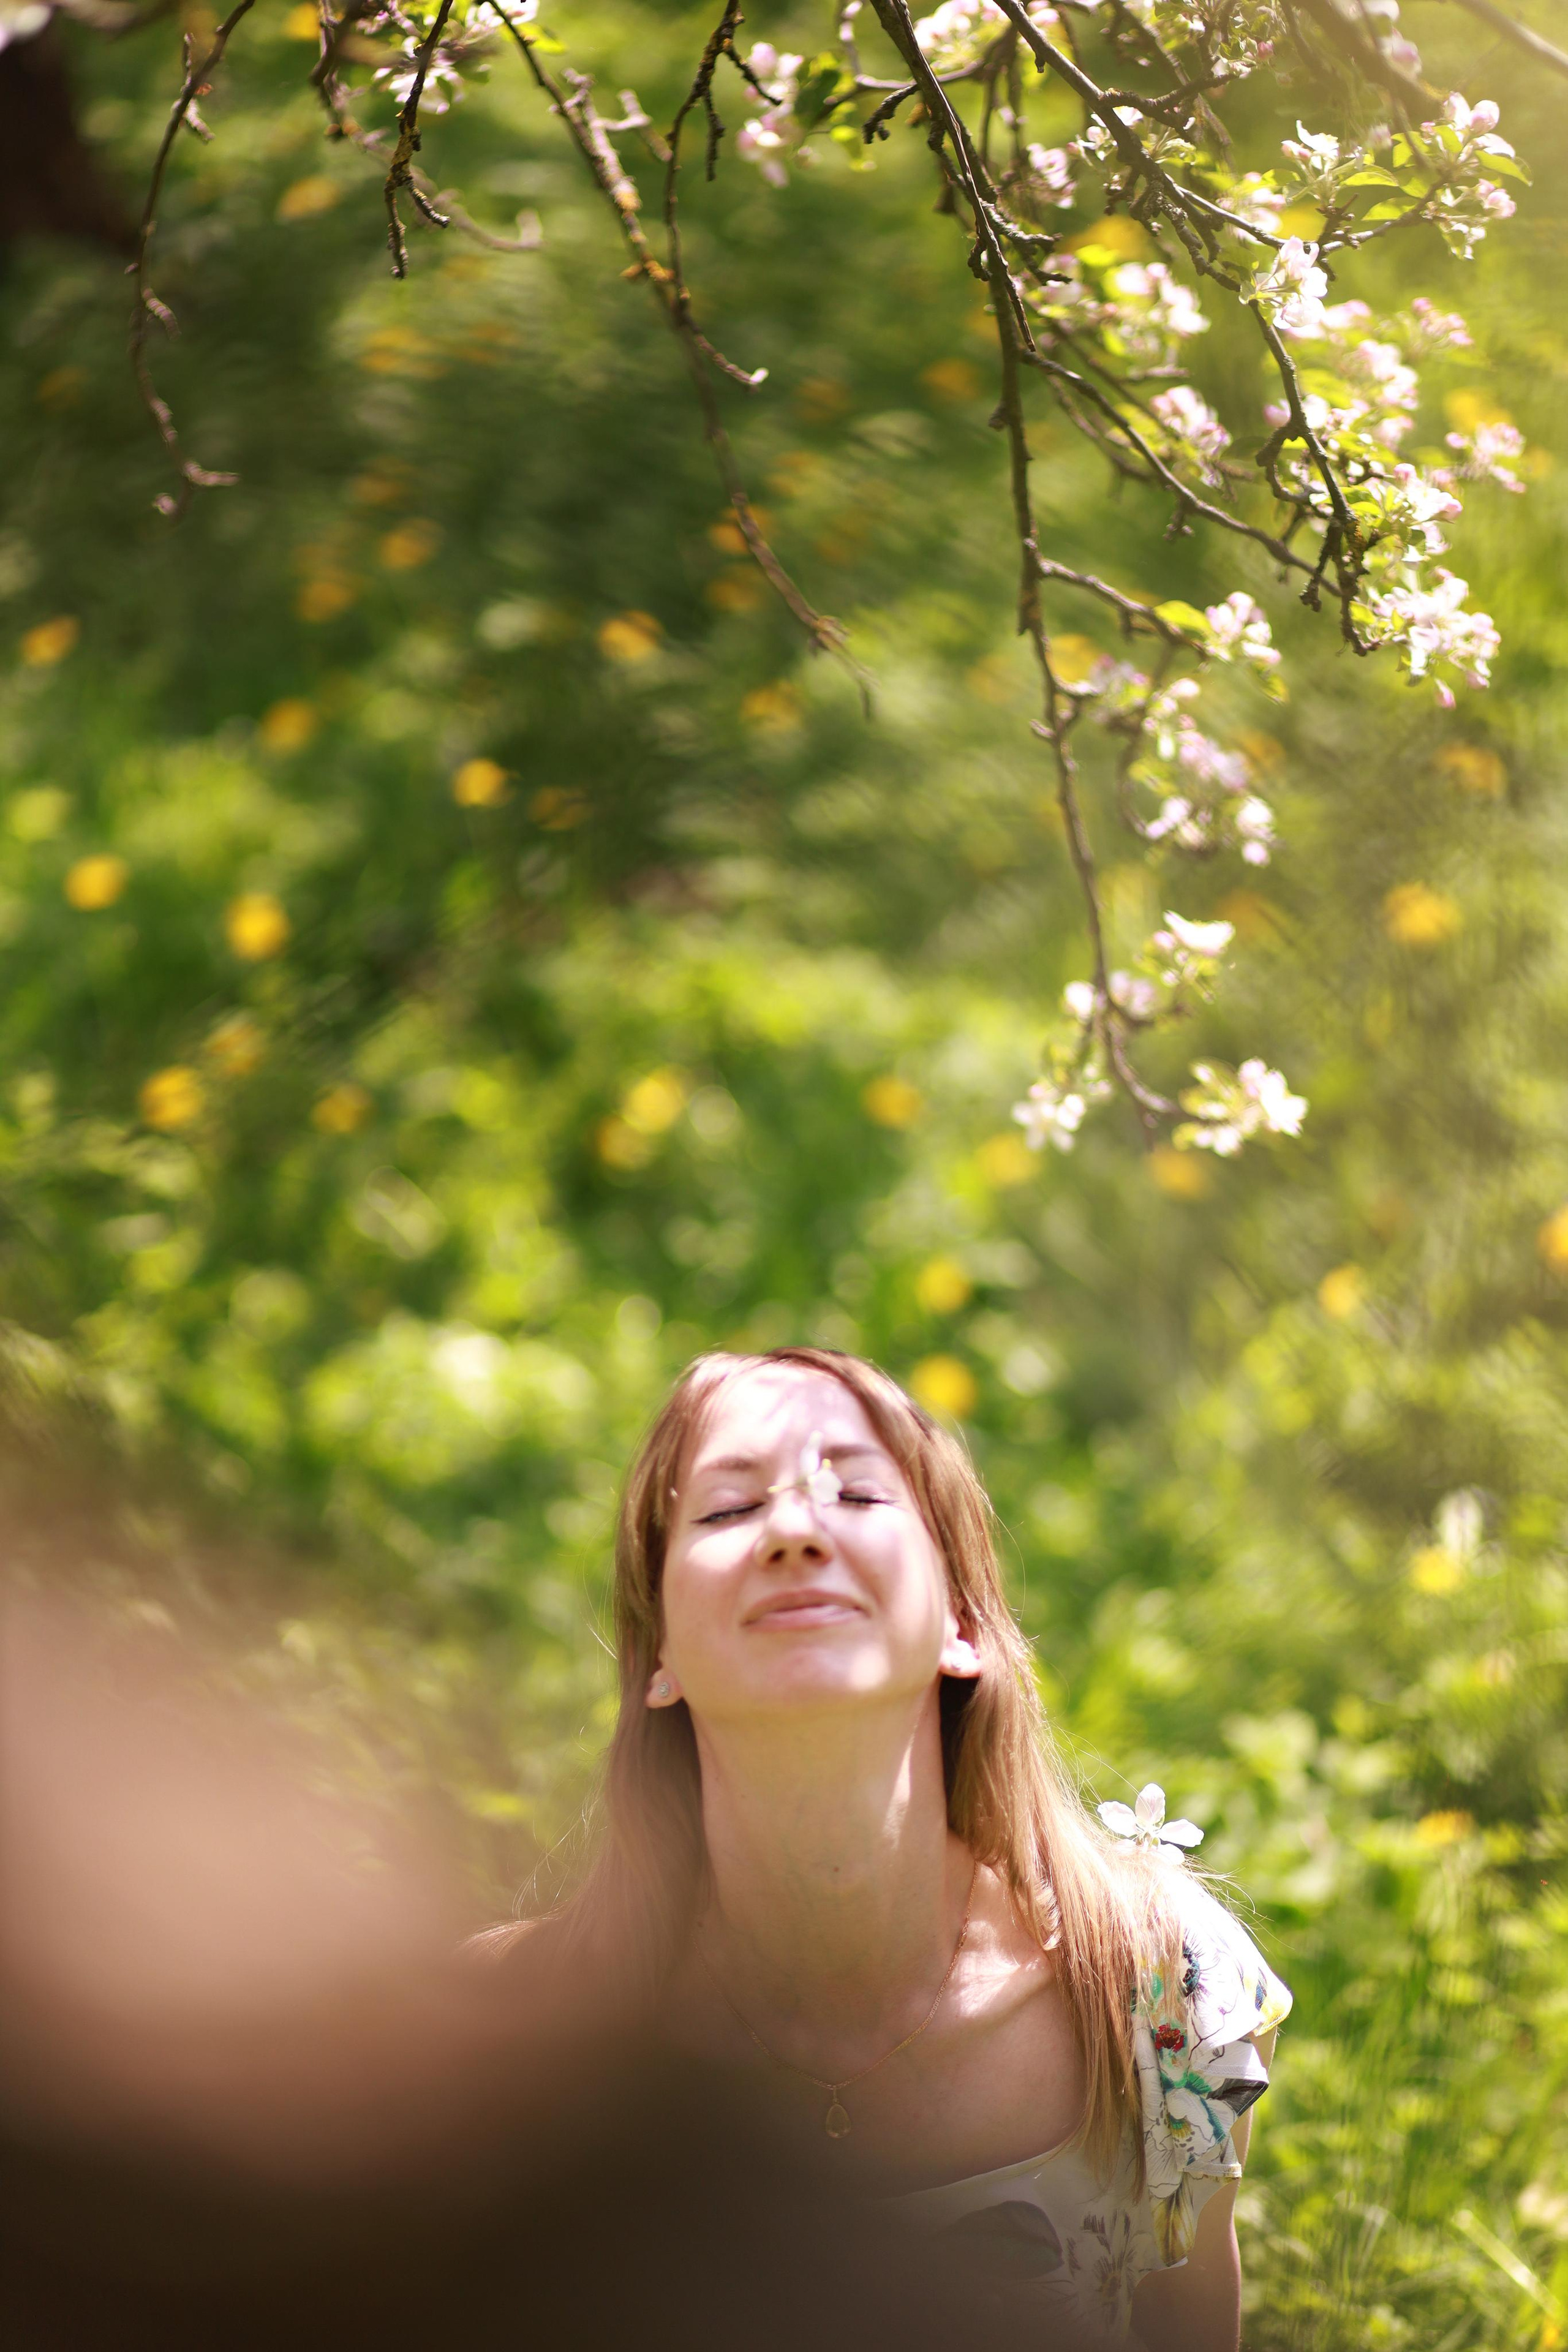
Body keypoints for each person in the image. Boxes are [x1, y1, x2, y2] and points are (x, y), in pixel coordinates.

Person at [528, 1344, 1292, 2350]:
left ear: (962, 1623)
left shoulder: (1162, 1995)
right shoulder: (510, 2049)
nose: (795, 1531)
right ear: (658, 1653)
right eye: (725, 1511)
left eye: (854, 1495)